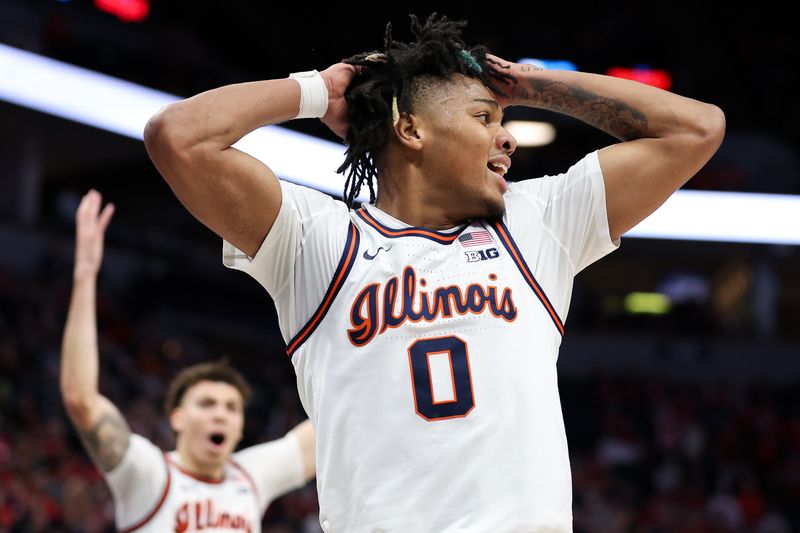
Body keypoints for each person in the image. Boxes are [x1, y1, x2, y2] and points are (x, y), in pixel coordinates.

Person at [143, 13, 725, 532]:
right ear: (412, 130)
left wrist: (530, 85)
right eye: (483, 116)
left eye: (504, 118)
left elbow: (696, 130)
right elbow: (179, 136)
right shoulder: (315, 239)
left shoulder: (537, 221)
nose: (508, 137)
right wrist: (318, 91)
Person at [60, 190, 316, 532]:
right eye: (207, 403)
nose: (220, 414)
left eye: (231, 408)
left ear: (241, 426)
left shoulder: (252, 475)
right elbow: (81, 399)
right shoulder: (150, 475)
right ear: (177, 418)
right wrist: (85, 276)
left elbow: (331, 422)